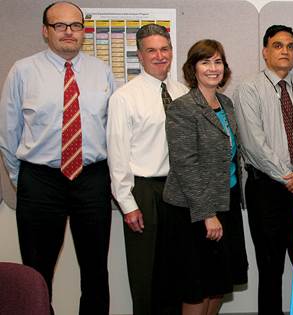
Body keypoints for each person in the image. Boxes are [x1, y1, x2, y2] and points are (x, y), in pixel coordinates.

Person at [0, 2, 115, 313]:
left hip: (91, 178)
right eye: (59, 26)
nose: (69, 32)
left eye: (75, 26)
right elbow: (8, 133)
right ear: (45, 31)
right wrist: (22, 178)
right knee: (37, 272)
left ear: (83, 31)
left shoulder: (102, 71)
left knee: (95, 270)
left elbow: (113, 130)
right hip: (40, 181)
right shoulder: (23, 71)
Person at [233, 25, 293, 315]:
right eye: (277, 45)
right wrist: (290, 177)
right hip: (267, 191)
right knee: (270, 270)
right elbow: (254, 144)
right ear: (265, 51)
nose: (285, 51)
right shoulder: (248, 89)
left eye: (290, 46)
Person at [107, 23, 188, 315]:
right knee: (145, 273)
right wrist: (128, 204)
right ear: (139, 56)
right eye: (151, 50)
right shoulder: (124, 98)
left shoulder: (182, 92)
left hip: (178, 190)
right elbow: (117, 156)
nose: (159, 56)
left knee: (175, 269)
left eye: (164, 49)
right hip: (144, 190)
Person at [163, 39, 248, 315]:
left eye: (218, 61)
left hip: (227, 201)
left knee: (218, 284)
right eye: (205, 62)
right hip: (195, 211)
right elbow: (185, 164)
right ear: (193, 68)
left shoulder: (226, 103)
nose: (213, 68)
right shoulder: (182, 108)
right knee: (196, 286)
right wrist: (206, 214)